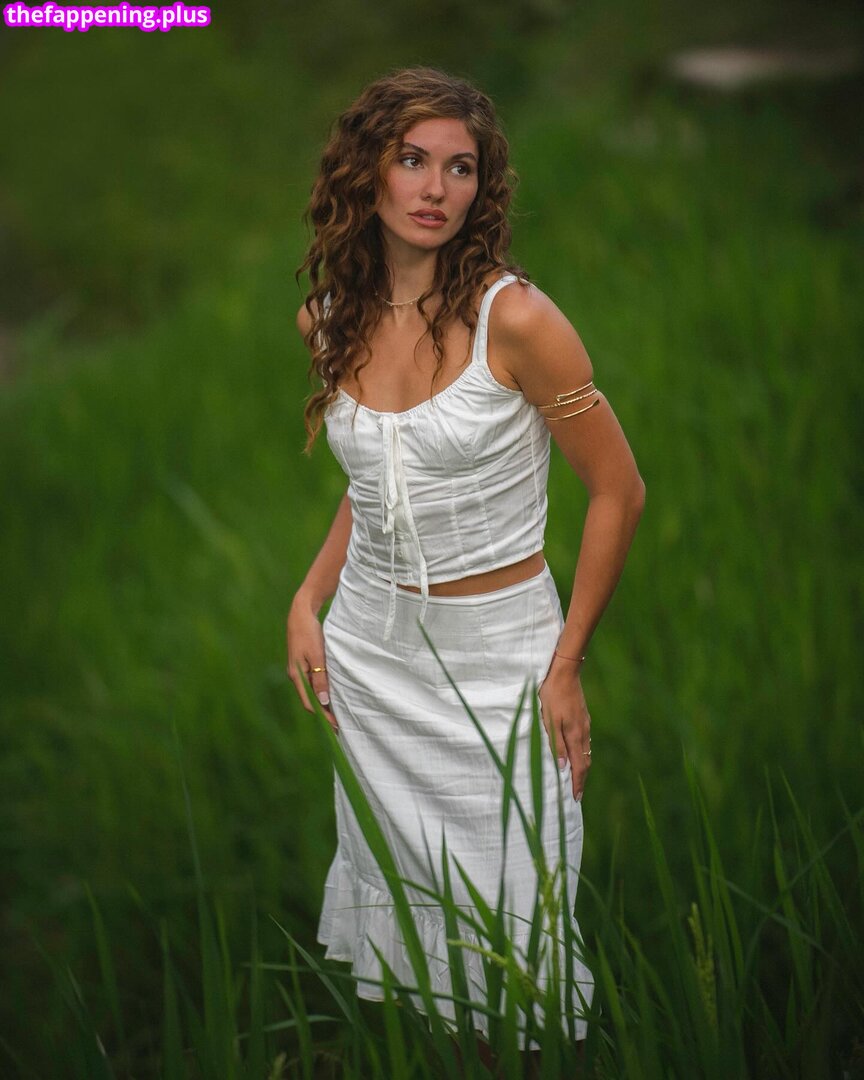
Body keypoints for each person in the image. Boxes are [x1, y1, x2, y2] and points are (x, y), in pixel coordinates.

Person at [287, 66, 645, 1070]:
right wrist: (308, 599)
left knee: (518, 943)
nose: (436, 188)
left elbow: (619, 492)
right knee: (422, 955)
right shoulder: (328, 320)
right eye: (412, 160)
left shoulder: (516, 320)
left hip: (502, 665)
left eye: (460, 167)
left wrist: (566, 665)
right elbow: (377, 482)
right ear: (366, 173)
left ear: (482, 187)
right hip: (373, 656)